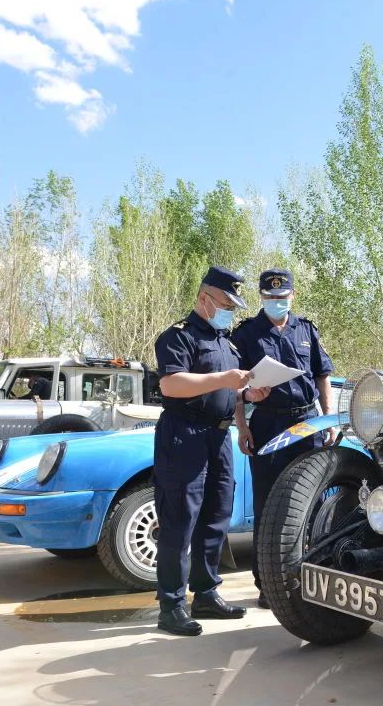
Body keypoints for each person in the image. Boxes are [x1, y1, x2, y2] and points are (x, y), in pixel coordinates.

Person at [152, 266, 268, 636]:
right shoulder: (178, 336)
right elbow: (171, 384)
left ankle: (205, 592)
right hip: (184, 435)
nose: (229, 311)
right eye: (225, 303)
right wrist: (225, 379)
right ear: (204, 299)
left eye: (233, 306)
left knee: (216, 517)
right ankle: (171, 605)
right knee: (179, 520)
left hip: (218, 437)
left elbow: (228, 391)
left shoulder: (226, 342)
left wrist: (247, 396)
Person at [230, 268, 335, 608]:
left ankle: (312, 575)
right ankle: (266, 584)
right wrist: (243, 425)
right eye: (270, 298)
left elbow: (322, 376)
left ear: (293, 295)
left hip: (306, 423)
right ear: (261, 297)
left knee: (312, 502)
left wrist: (328, 419)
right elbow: (235, 386)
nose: (276, 303)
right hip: (268, 425)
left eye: (282, 297)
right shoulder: (246, 333)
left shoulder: (306, 330)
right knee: (268, 506)